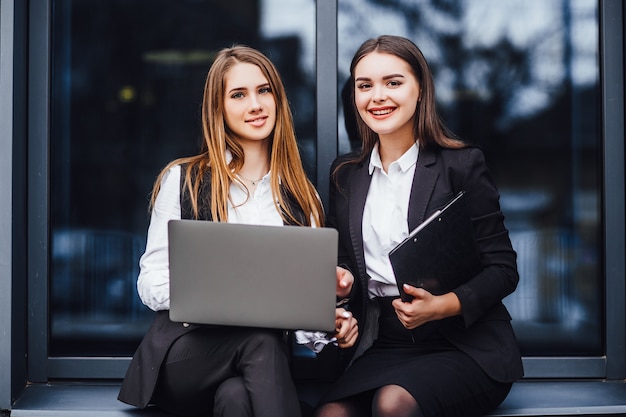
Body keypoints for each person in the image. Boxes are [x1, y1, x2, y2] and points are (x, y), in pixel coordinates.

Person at [118, 45, 358, 417]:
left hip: (256, 371)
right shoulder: (182, 180)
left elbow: (302, 317)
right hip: (185, 355)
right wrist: (233, 297)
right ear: (219, 108)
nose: (256, 104)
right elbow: (150, 284)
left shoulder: (302, 197)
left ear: (278, 100)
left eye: (264, 91)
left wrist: (328, 316)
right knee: (260, 339)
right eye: (238, 95)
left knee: (236, 398)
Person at [314, 35, 523, 417]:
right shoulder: (345, 176)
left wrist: (442, 306)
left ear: (421, 89)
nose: (377, 96)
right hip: (388, 342)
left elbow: (504, 269)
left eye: (393, 82)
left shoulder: (461, 165)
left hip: (466, 344)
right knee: (331, 414)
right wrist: (341, 280)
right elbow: (347, 261)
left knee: (392, 403)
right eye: (365, 86)